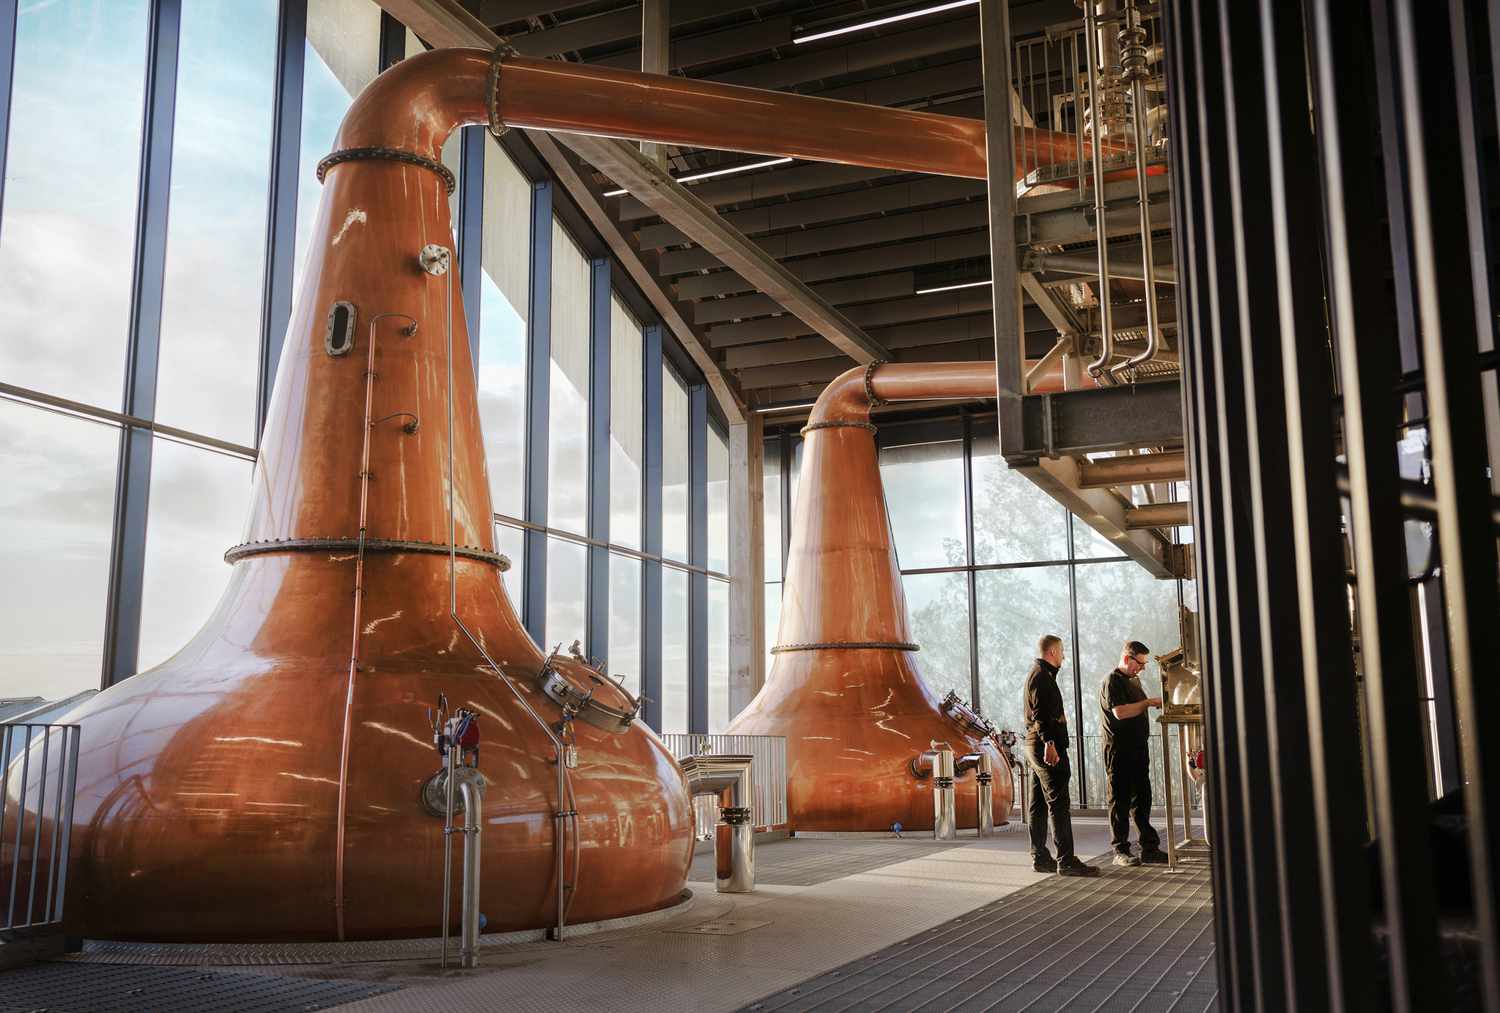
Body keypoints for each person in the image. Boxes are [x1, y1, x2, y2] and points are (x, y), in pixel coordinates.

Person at [1024, 634, 1098, 877]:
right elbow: (1040, 714)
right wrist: (1050, 743)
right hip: (1044, 745)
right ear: (1052, 652)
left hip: (1036, 744)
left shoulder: (1039, 674)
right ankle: (1066, 859)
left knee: (1038, 803)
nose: (1065, 655)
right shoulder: (1041, 677)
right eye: (1063, 650)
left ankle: (1040, 857)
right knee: (1058, 802)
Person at [1100, 640, 1168, 866]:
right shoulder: (1112, 681)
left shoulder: (1134, 680)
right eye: (1140, 663)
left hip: (1138, 749)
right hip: (1119, 751)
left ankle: (1149, 847)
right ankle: (1120, 850)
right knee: (1119, 801)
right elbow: (1120, 712)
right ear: (1128, 659)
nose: (1142, 668)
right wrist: (1148, 702)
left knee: (1142, 799)